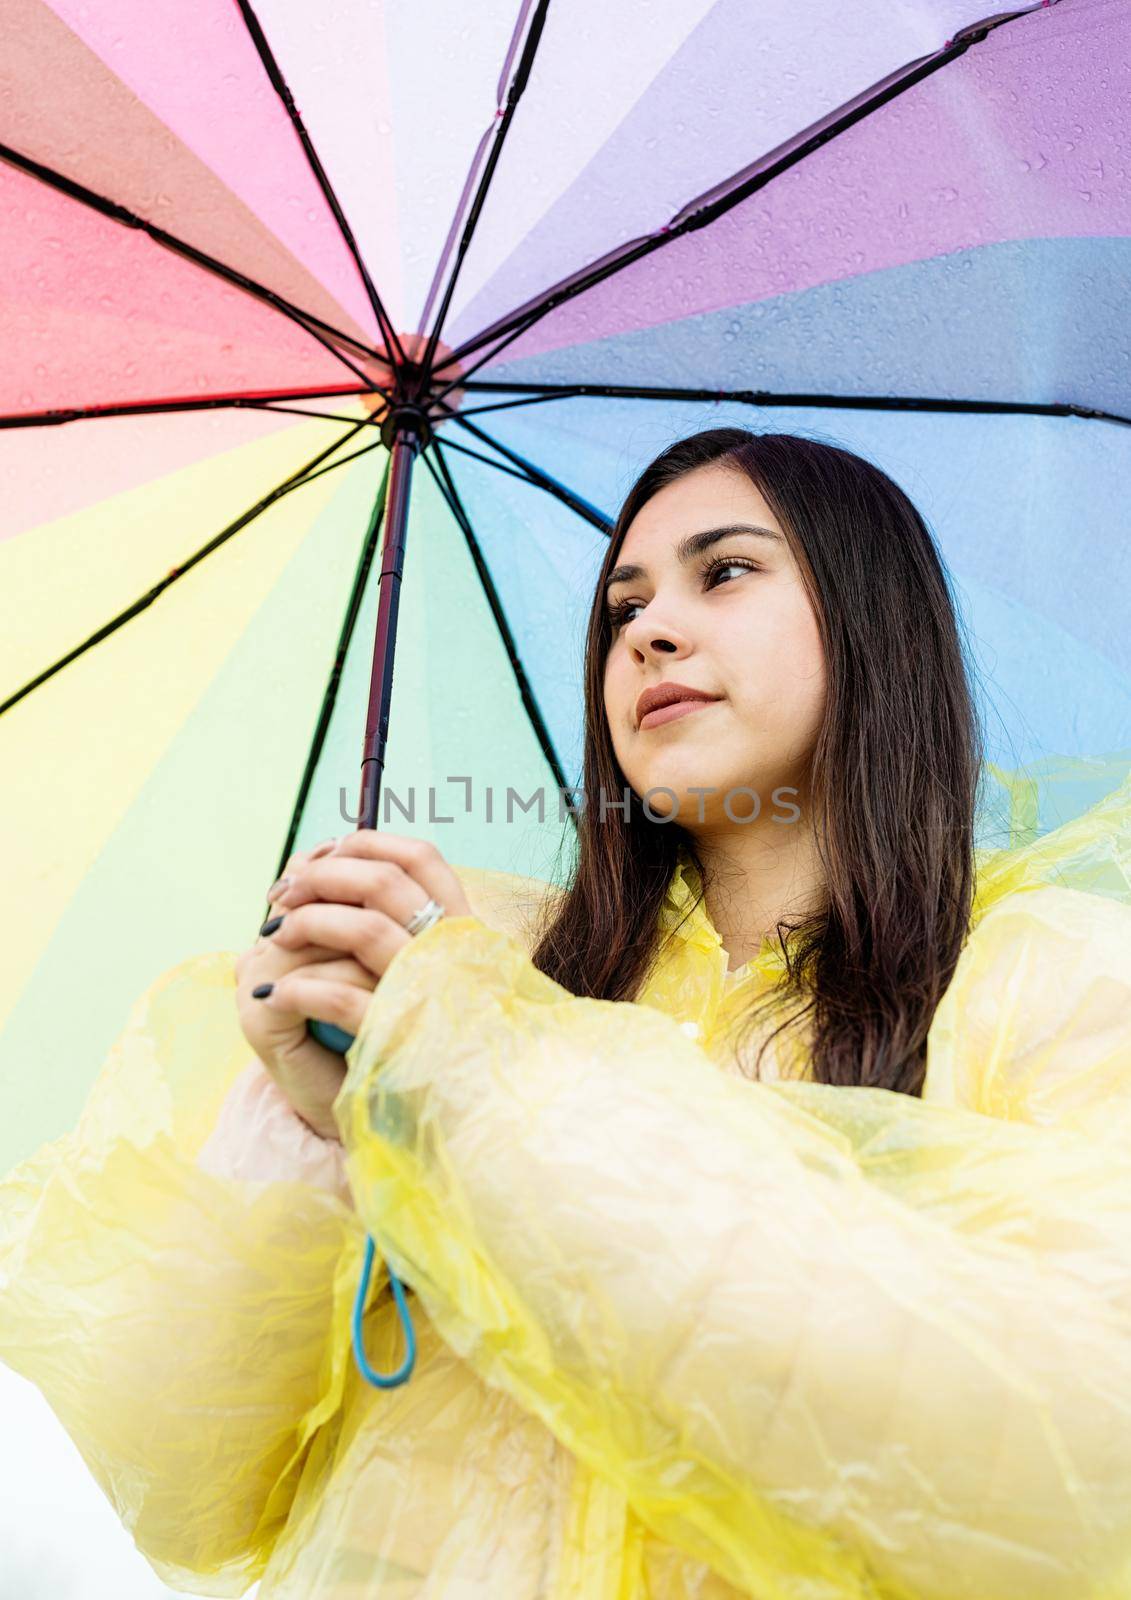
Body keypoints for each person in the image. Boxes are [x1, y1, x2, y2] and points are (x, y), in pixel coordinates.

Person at [2, 427, 1130, 1599]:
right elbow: (180, 1482)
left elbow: (1068, 1465)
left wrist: (481, 1080)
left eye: (726, 572)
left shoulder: (1048, 986)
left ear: (871, 620)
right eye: (621, 608)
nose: (649, 628)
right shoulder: (478, 969)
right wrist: (311, 1136)